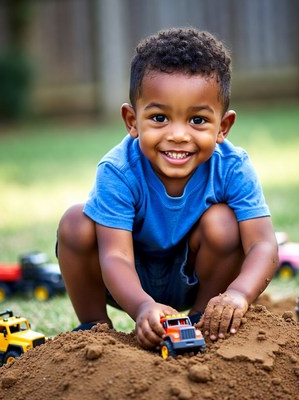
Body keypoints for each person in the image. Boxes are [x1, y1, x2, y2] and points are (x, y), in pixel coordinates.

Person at [57, 27, 279, 349]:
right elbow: (116, 256)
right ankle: (95, 330)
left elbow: (263, 245)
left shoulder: (233, 167)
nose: (177, 134)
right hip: (125, 279)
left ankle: (205, 321)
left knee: (225, 223)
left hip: (195, 277)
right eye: (160, 117)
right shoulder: (118, 170)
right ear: (132, 121)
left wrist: (237, 295)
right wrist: (142, 306)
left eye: (198, 120)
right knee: (76, 221)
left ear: (223, 127)